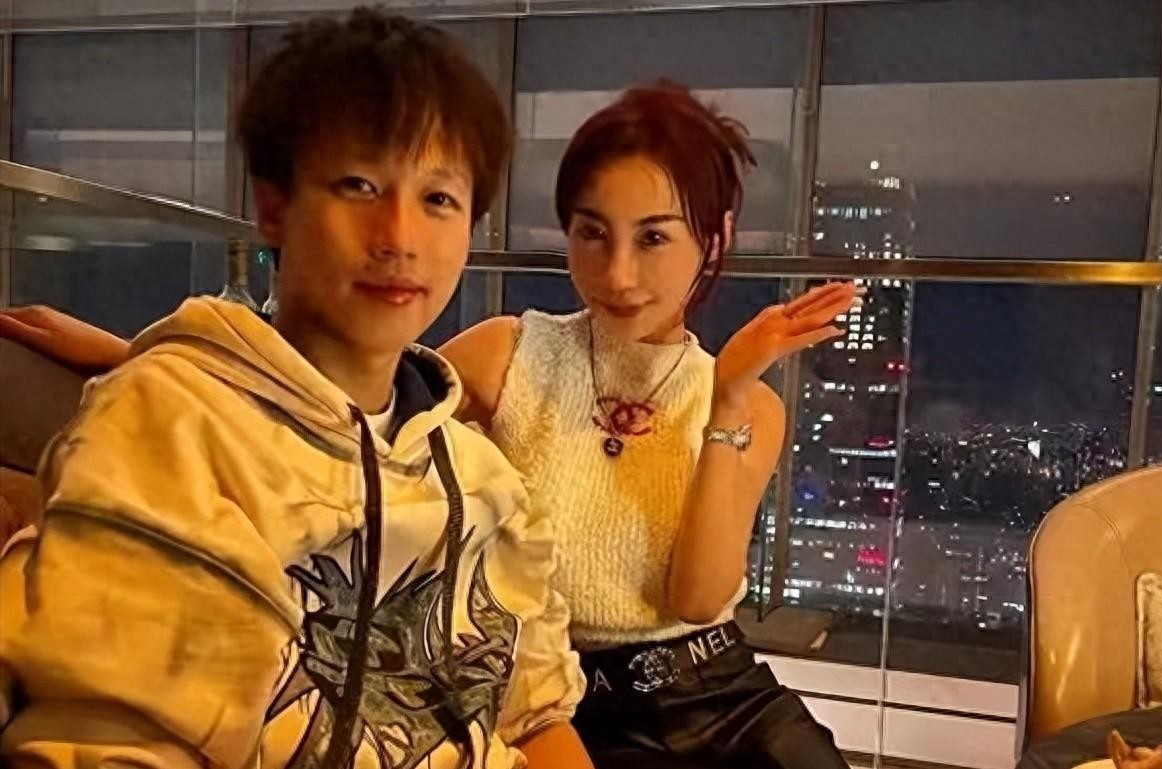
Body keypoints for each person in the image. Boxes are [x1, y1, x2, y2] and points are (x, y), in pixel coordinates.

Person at [1, 84, 856, 768]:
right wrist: (133, 354)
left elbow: (697, 599)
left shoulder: (746, 402)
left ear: (715, 239)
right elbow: (340, 405)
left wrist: (727, 403)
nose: (619, 272)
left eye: (655, 238)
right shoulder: (512, 353)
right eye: (592, 234)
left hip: (720, 695)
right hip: (575, 703)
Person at [0, 8, 590, 769]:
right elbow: (110, 740)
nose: (399, 236)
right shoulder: (168, 428)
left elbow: (538, 716)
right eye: (359, 185)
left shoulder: (484, 481)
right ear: (275, 208)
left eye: (439, 199)